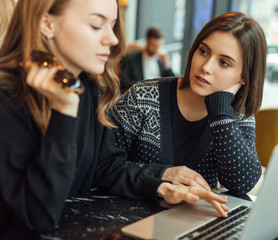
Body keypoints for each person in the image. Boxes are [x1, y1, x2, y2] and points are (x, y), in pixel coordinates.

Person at [0, 0, 229, 239]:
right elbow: (37, 217)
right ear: (47, 23)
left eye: (112, 25)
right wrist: (64, 112)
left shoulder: (86, 86)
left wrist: (161, 187)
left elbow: (105, 166)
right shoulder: (8, 98)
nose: (113, 39)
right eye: (96, 25)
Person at [111, 11, 266, 197]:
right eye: (203, 51)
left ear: (244, 77)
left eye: (224, 63)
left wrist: (221, 112)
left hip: (196, 221)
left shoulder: (238, 115)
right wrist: (162, 174)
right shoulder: (142, 97)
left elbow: (242, 183)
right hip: (133, 217)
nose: (206, 67)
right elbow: (104, 165)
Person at [120, 26, 175, 92]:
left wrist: (167, 65)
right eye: (154, 45)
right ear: (147, 40)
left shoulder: (160, 61)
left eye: (159, 46)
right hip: (140, 95)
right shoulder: (131, 58)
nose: (156, 49)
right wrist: (149, 85)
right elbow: (123, 82)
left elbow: (174, 83)